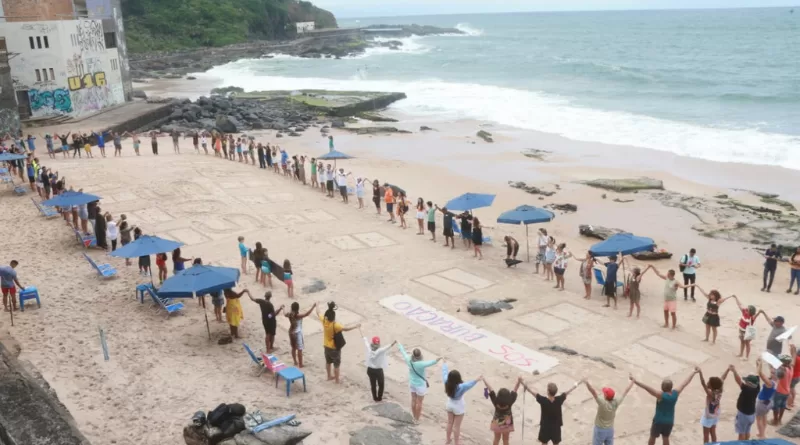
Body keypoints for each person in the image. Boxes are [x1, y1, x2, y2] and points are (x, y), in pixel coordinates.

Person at [631, 369, 698, 445]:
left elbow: (647, 388)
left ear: (662, 387)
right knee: (666, 438)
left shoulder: (660, 395)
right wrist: (693, 372)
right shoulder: (675, 394)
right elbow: (684, 383)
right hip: (669, 421)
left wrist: (635, 381)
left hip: (658, 421)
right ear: (671, 387)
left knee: (653, 437)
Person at [522, 378, 581, 445]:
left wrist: (523, 384)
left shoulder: (543, 400)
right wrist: (576, 384)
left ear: (548, 391)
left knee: (544, 443)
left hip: (545, 427)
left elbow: (532, 392)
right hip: (556, 427)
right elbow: (569, 391)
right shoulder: (559, 400)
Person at [317, 301, 360, 384]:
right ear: (333, 317)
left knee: (328, 362)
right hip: (334, 348)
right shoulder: (335, 325)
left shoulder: (324, 321)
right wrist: (355, 326)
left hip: (326, 346)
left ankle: (329, 376)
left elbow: (318, 312)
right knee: (336, 364)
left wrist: (317, 305)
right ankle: (337, 380)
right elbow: (346, 329)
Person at [584, 378, 634, 445]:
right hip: (610, 430)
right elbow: (625, 392)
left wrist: (587, 383)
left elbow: (593, 392)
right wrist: (633, 382)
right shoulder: (616, 402)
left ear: (606, 396)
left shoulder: (602, 403)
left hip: (600, 430)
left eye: (604, 393)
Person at [398, 344, 441, 422]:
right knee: (419, 403)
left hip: (412, 383)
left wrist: (400, 346)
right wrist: (438, 359)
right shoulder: (421, 364)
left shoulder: (408, 360)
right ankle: (417, 418)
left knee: (413, 400)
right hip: (420, 385)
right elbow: (431, 362)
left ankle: (414, 416)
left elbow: (403, 353)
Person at [442, 363, 480, 445]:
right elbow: (470, 384)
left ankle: (448, 440)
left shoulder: (446, 382)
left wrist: (444, 364)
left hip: (449, 404)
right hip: (458, 406)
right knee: (456, 426)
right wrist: (477, 379)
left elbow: (444, 373)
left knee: (449, 423)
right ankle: (456, 443)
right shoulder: (461, 387)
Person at [360, 327, 396, 402]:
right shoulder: (380, 350)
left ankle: (375, 398)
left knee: (373, 385)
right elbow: (387, 347)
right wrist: (393, 343)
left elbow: (366, 342)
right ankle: (379, 398)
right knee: (381, 384)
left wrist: (363, 335)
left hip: (370, 370)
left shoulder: (369, 349)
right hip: (378, 370)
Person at [483, 376, 522, 445]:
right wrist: (519, 381)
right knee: (506, 439)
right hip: (507, 424)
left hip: (496, 423)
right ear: (508, 397)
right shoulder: (510, 401)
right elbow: (515, 389)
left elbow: (490, 389)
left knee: (496, 439)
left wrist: (484, 380)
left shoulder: (495, 401)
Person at [696, 365, 731, 443]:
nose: (707, 383)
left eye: (709, 383)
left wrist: (700, 372)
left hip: (708, 416)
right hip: (715, 414)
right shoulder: (720, 390)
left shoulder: (710, 394)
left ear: (711, 386)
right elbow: (723, 378)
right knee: (713, 433)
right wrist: (728, 369)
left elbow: (703, 383)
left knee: (706, 436)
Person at [729, 364, 760, 441]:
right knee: (747, 430)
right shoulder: (757, 387)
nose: (745, 382)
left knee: (741, 433)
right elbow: (758, 375)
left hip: (744, 415)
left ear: (749, 384)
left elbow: (738, 380)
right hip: (751, 414)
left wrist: (734, 371)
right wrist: (758, 365)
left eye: (746, 381)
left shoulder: (747, 389)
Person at [729, 295, 760, 360]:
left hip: (747, 332)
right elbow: (739, 305)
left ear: (750, 312)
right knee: (742, 342)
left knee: (747, 344)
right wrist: (736, 298)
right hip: (741, 330)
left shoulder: (752, 318)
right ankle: (741, 353)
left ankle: (746, 357)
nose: (746, 310)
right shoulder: (744, 312)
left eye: (747, 310)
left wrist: (760, 312)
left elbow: (757, 315)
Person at [772, 345, 797, 426]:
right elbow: (793, 361)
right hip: (787, 392)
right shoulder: (791, 368)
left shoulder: (782, 371)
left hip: (779, 392)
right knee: (782, 406)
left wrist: (773, 369)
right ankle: (779, 420)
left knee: (775, 407)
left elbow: (774, 377)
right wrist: (793, 351)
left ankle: (775, 420)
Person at [286, 302, 315, 367]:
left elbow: (284, 313)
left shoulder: (289, 314)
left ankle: (295, 362)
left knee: (293, 348)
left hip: (291, 332)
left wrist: (283, 308)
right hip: (297, 333)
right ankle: (300, 364)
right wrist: (313, 307)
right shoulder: (297, 315)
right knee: (300, 349)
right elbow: (307, 314)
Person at [755, 358, 776, 438]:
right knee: (764, 416)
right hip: (769, 402)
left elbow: (761, 374)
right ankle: (763, 432)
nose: (771, 372)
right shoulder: (776, 381)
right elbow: (762, 374)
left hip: (762, 402)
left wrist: (760, 365)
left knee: (759, 419)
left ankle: (762, 434)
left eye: (773, 373)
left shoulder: (770, 383)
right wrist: (758, 365)